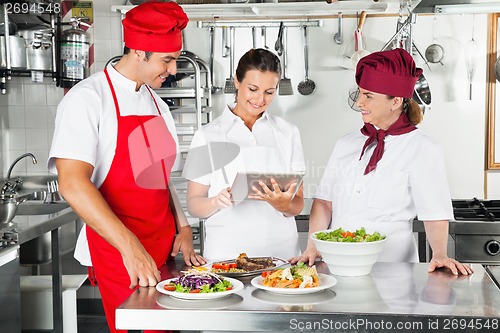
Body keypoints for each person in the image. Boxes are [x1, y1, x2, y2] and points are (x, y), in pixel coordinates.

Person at [48, 2, 205, 332]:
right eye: (167, 60)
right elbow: (73, 184)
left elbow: (160, 179)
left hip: (163, 251)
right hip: (121, 253)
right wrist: (130, 248)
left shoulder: (157, 103)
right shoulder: (88, 99)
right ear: (139, 52)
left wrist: (184, 226)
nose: (174, 69)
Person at [290, 48, 472, 276]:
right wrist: (313, 247)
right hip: (338, 267)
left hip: (394, 270)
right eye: (359, 93)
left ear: (395, 101)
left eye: (368, 96)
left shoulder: (423, 148)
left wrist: (439, 254)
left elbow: (433, 212)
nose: (359, 103)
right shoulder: (346, 144)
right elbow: (325, 202)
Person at [183, 48, 306, 261]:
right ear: (237, 82)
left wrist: (283, 205)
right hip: (226, 256)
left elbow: (298, 203)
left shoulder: (288, 132)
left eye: (269, 92)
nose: (260, 99)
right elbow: (194, 204)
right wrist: (216, 201)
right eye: (253, 89)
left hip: (281, 255)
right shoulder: (208, 135)